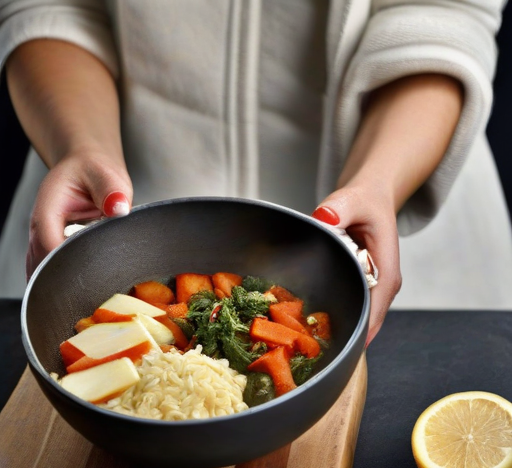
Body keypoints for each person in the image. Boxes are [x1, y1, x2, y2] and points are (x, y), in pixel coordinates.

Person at [0, 0, 511, 345]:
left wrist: (378, 181)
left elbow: (443, 14)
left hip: (397, 223)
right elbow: (50, 8)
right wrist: (80, 145)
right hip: (110, 224)